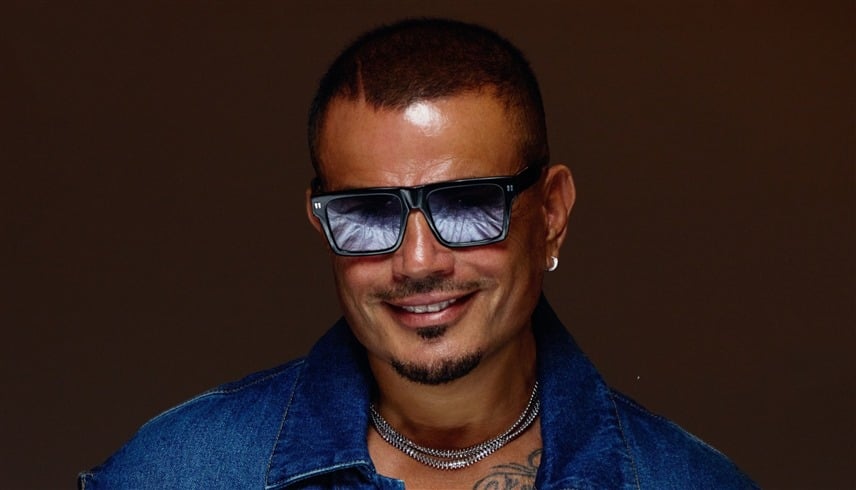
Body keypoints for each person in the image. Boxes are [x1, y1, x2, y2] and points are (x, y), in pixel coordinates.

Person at [79, 18, 757, 489]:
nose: (419, 261)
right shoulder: (170, 476)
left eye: (465, 205)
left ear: (551, 215)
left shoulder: (687, 483)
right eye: (369, 213)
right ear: (321, 224)